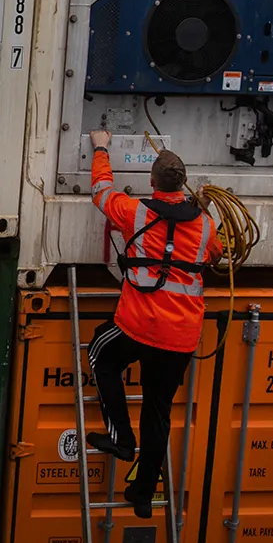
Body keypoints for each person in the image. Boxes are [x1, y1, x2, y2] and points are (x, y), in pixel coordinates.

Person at [85, 130, 223, 518]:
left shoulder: (135, 212)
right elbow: (216, 255)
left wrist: (100, 147)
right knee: (158, 410)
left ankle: (122, 439)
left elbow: (100, 190)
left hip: (139, 324)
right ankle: (143, 493)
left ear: (152, 181)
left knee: (100, 354)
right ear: (184, 183)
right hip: (180, 338)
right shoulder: (206, 226)